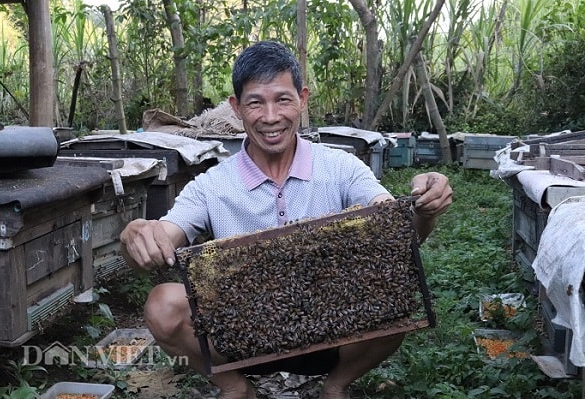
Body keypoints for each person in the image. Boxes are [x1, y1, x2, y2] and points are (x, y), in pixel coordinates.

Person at [120, 40, 453, 399]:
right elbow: (162, 239)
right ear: (236, 108)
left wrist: (423, 210)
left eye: (282, 99)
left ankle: (336, 384)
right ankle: (237, 388)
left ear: (302, 99)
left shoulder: (341, 168)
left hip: (334, 330)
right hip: (242, 336)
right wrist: (138, 237)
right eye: (255, 102)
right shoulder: (211, 185)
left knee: (396, 290)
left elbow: (397, 232)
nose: (270, 116)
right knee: (162, 303)